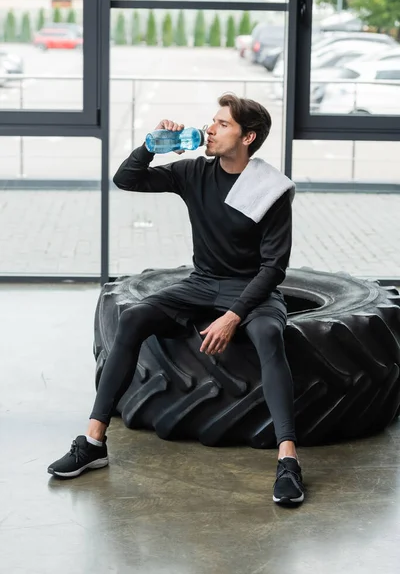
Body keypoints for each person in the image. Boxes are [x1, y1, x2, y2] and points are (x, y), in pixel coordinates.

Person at [48, 93, 305, 505]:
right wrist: (149, 147)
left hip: (252, 290)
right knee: (133, 319)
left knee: (270, 338)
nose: (211, 128)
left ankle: (288, 459)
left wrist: (233, 316)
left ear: (248, 137)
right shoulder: (193, 172)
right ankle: (94, 442)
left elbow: (273, 268)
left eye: (223, 124)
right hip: (202, 283)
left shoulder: (270, 189)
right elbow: (126, 179)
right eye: (213, 120)